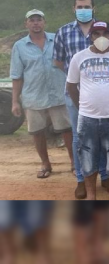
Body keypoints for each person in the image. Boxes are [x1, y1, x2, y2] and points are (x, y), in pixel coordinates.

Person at [53, 0, 109, 200]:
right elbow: (58, 61)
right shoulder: (63, 31)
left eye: (87, 6)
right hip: (75, 95)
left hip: (105, 99)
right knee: (81, 138)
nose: (83, 10)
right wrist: (79, 79)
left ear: (93, 8)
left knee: (105, 137)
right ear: (74, 9)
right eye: (80, 7)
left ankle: (105, 176)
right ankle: (81, 180)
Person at [66, 21, 109, 200]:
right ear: (90, 36)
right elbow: (71, 86)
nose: (101, 37)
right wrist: (82, 107)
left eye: (105, 33)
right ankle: (91, 195)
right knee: (87, 155)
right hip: (87, 118)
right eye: (97, 34)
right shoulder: (79, 57)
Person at [10, 9, 73, 179]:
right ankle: (45, 163)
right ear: (26, 24)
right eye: (32, 20)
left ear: (44, 22)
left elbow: (69, 65)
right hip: (33, 96)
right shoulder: (19, 46)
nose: (36, 23)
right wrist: (15, 101)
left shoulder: (57, 39)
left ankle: (74, 163)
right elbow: (17, 76)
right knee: (37, 132)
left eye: (39, 19)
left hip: (59, 94)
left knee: (67, 130)